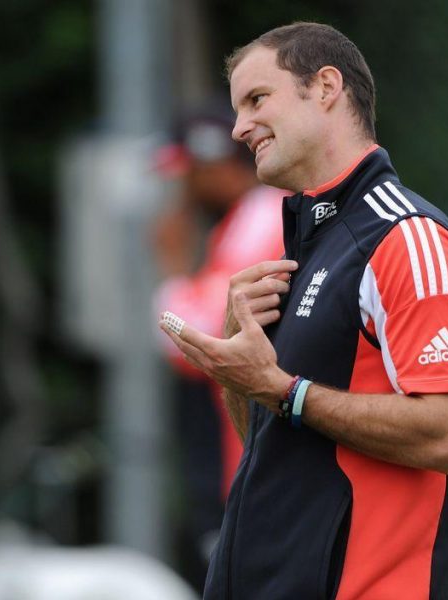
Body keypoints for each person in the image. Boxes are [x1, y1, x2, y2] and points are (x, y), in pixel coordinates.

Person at [160, 22, 448, 599]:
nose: (238, 128)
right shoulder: (302, 245)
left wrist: (285, 390)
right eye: (236, 109)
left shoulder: (408, 238)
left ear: (326, 86)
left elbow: (447, 434)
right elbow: (280, 444)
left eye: (257, 100)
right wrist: (246, 366)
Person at [152, 101, 284, 588]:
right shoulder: (245, 221)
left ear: (213, 166)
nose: (179, 189)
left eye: (186, 173)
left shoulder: (261, 217)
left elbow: (196, 343)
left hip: (263, 465)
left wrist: (170, 272)